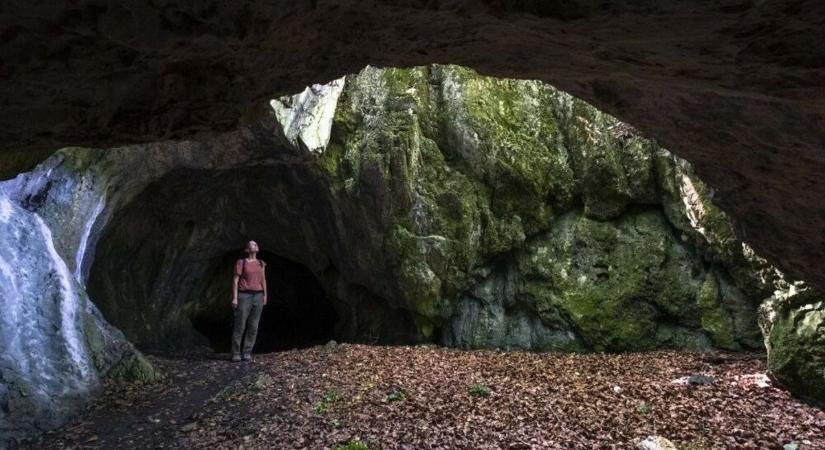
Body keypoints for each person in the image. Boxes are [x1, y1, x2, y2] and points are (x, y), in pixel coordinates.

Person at [231, 240, 267, 362]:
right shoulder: (242, 262)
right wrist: (235, 298)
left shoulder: (261, 263)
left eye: (256, 244)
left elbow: (263, 280)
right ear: (247, 249)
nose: (255, 245)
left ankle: (247, 352)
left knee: (253, 326)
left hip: (258, 296)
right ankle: (236, 353)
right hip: (244, 295)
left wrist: (265, 295)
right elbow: (235, 280)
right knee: (240, 324)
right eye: (252, 244)